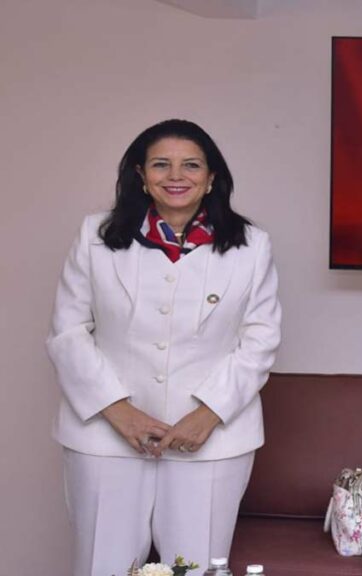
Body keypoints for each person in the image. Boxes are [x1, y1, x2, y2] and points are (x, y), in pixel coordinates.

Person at [46, 119, 282, 576]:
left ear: (211, 177)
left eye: (191, 165)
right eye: (161, 164)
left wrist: (207, 414)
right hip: (104, 436)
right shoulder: (95, 236)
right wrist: (119, 411)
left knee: (196, 568)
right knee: (103, 567)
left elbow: (261, 339)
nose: (176, 176)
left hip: (211, 440)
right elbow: (67, 332)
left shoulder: (252, 246)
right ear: (141, 175)